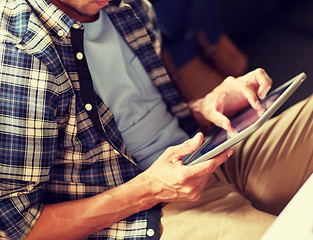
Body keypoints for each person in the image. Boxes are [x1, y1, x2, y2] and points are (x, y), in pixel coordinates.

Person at [0, 1, 312, 240]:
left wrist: (205, 107)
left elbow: (136, 117)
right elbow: (19, 227)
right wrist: (149, 189)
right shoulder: (19, 57)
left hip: (205, 157)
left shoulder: (128, 8)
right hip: (148, 211)